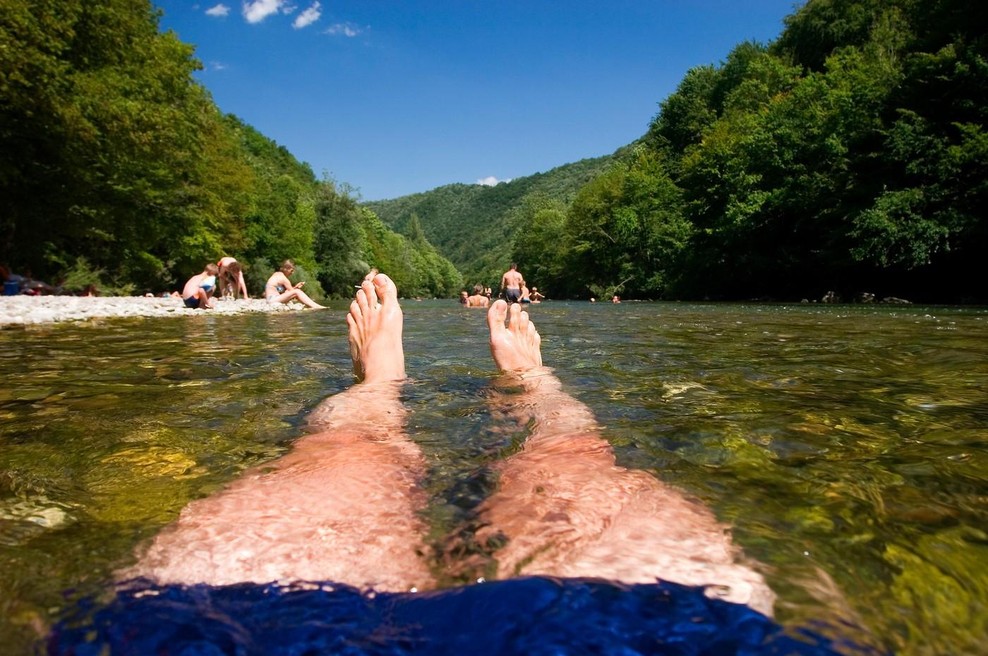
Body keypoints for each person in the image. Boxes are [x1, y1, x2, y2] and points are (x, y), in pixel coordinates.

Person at [122, 272, 774, 616]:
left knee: (347, 456)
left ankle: (381, 388)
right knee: (575, 463)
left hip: (261, 625)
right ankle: (534, 384)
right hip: (624, 629)